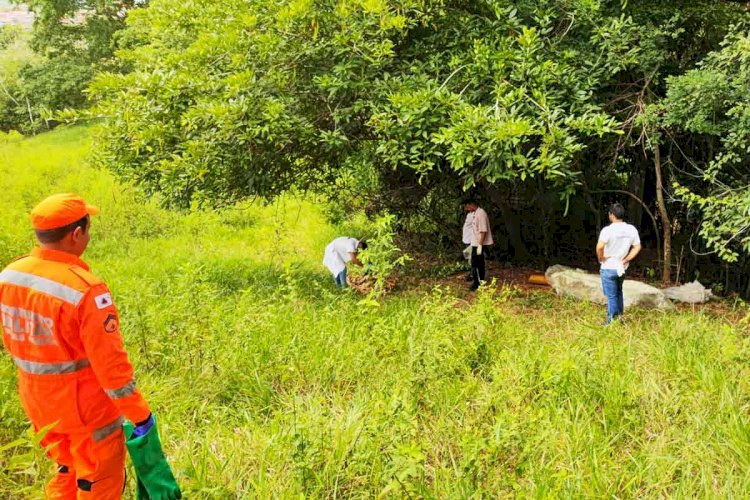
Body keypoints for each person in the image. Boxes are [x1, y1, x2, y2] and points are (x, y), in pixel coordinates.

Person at [0, 193, 179, 499]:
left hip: (39, 404)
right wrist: (140, 415)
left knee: (66, 471)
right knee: (97, 482)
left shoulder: (10, 275)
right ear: (77, 234)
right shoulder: (85, 290)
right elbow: (112, 369)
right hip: (86, 412)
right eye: (89, 229)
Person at [596, 202, 642, 325]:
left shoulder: (607, 230)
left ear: (611, 215)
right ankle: (620, 318)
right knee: (618, 291)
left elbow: (600, 246)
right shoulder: (631, 229)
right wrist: (626, 259)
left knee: (611, 296)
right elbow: (637, 247)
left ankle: (611, 322)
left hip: (608, 267)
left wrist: (601, 258)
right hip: (622, 267)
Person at [463, 199, 494, 291]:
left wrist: (480, 245)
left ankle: (477, 283)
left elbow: (483, 231)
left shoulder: (481, 214)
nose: (467, 208)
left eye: (467, 206)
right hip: (474, 242)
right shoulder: (476, 213)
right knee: (477, 263)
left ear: (471, 204)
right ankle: (479, 281)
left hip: (478, 243)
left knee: (476, 264)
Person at [462, 205, 475, 281]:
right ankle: (471, 273)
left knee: (472, 258)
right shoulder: (469, 214)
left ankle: (472, 275)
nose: (465, 208)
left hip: (471, 240)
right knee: (468, 258)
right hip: (467, 239)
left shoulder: (475, 215)